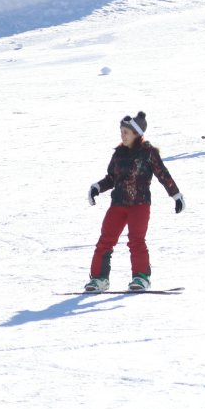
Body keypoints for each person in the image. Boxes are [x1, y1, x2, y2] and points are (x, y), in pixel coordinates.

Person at [85, 112, 185, 292]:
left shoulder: (148, 153)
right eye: (121, 131)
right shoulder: (118, 154)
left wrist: (175, 195)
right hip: (118, 204)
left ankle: (141, 277)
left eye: (126, 132)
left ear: (136, 134)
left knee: (136, 240)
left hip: (140, 205)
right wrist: (97, 187)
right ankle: (99, 279)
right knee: (105, 240)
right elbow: (111, 178)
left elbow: (163, 174)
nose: (122, 135)